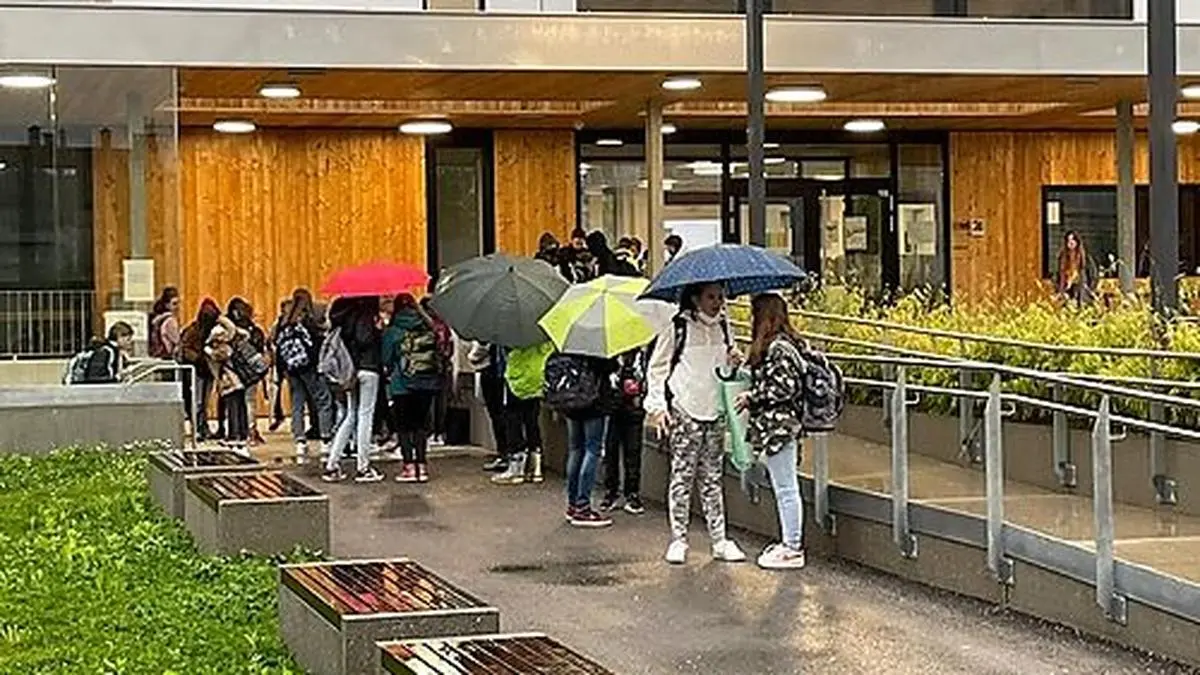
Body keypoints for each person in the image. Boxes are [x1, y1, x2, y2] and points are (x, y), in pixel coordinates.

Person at [645, 282, 746, 565]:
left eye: (720, 297)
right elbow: (658, 368)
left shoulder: (725, 327)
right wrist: (657, 406)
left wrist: (734, 360)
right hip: (685, 409)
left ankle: (719, 539)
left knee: (713, 478)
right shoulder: (677, 327)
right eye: (711, 297)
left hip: (714, 410)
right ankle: (679, 539)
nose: (718, 302)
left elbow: (725, 369)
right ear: (695, 298)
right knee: (682, 476)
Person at [737, 293, 808, 570]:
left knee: (786, 488)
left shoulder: (778, 348)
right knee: (784, 486)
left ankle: (792, 546)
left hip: (779, 426)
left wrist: (752, 397)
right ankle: (790, 543)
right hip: (781, 425)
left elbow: (783, 387)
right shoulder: (787, 345)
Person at [323, 296, 385, 483]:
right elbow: (364, 339)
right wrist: (378, 331)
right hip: (368, 368)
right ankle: (363, 467)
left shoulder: (342, 318)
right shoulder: (364, 316)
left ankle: (332, 464)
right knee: (365, 416)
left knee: (351, 415)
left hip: (349, 372)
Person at [383, 293, 443, 483]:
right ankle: (422, 467)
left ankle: (409, 467)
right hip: (426, 383)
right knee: (420, 427)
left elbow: (386, 359)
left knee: (403, 428)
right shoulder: (427, 326)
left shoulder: (393, 331)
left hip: (402, 385)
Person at [560, 354, 618, 528]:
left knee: (575, 450)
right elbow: (609, 367)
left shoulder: (569, 345)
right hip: (594, 404)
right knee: (592, 450)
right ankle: (583, 507)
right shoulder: (597, 350)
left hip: (571, 402)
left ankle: (572, 504)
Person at [276, 288, 334, 463]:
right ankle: (325, 438)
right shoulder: (309, 320)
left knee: (297, 403)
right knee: (323, 400)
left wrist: (282, 371)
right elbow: (316, 343)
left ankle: (299, 440)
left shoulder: (284, 322)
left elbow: (278, 346)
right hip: (309, 366)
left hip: (292, 369)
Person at [493, 341, 552, 485]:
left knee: (513, 422)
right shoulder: (542, 334)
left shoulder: (514, 334)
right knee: (532, 422)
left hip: (517, 381)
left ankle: (517, 468)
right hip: (536, 379)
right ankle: (536, 467)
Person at [600, 346, 647, 515]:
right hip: (612, 410)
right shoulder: (610, 358)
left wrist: (638, 386)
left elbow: (649, 378)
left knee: (633, 453)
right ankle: (610, 492)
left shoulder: (641, 357)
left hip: (634, 410)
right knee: (611, 452)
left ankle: (632, 493)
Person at [205, 313, 250, 452]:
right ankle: (243, 435)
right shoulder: (236, 342)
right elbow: (243, 333)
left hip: (229, 382)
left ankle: (233, 436)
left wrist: (207, 348)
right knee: (241, 406)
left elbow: (215, 357)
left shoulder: (219, 349)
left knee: (232, 408)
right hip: (242, 379)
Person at [179, 299, 222, 441]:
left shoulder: (197, 330)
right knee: (199, 401)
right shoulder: (193, 331)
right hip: (198, 370)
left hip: (204, 369)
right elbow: (185, 349)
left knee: (202, 401)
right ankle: (199, 428)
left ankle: (201, 428)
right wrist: (200, 358)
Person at [227, 297, 267, 446]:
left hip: (234, 371)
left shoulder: (230, 331)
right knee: (250, 401)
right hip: (251, 372)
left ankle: (239, 431)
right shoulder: (254, 331)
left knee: (236, 402)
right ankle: (250, 431)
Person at [470, 341, 511, 473]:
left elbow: (476, 354)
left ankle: (504, 453)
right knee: (509, 415)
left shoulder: (487, 332)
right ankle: (513, 454)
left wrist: (471, 356)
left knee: (497, 415)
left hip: (491, 373)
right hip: (508, 374)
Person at [421, 295, 455, 447]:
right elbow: (450, 347)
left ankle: (432, 432)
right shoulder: (444, 326)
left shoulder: (425, 326)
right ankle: (439, 432)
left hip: (428, 368)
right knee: (440, 402)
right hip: (442, 366)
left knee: (430, 403)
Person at [1056, 230, 1097, 305]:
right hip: (1067, 290)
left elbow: (1093, 274)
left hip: (1082, 290)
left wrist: (1090, 289)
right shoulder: (1062, 258)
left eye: (1073, 240)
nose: (1071, 243)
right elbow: (1058, 275)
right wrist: (1059, 290)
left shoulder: (1085, 257)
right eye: (1068, 240)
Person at [148, 287, 181, 360]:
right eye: (174, 304)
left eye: (178, 303)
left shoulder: (157, 320)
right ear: (167, 305)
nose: (177, 307)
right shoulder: (170, 321)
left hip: (157, 356)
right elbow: (177, 340)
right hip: (167, 357)